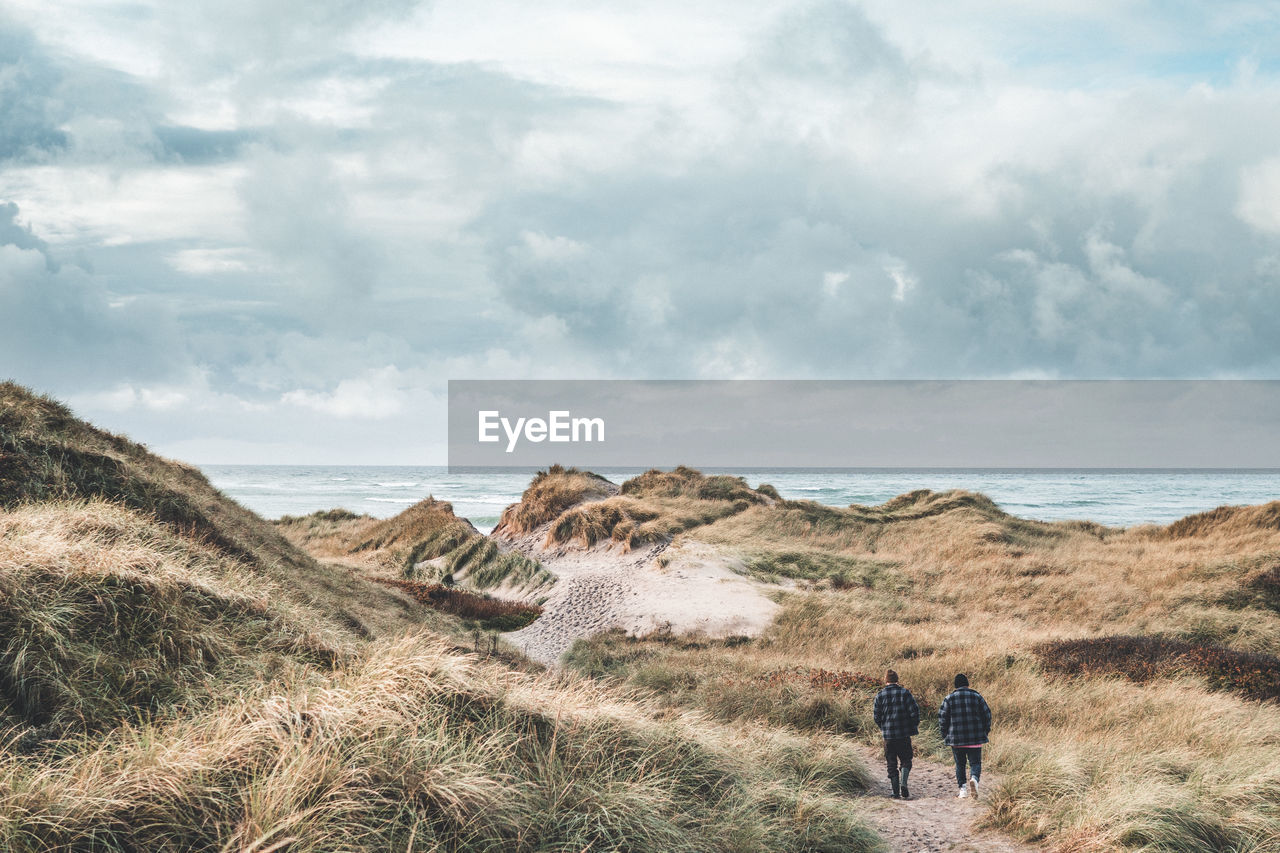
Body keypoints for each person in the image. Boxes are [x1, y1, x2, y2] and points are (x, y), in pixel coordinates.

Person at [938, 673, 992, 799]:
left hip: (956, 739)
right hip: (975, 737)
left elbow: (942, 718)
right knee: (975, 763)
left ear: (955, 686)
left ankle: (962, 790)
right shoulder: (977, 697)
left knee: (960, 764)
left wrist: (944, 734)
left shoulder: (949, 698)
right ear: (967, 684)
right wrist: (985, 731)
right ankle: (974, 779)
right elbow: (987, 715)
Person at [872, 669, 920, 799]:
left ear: (886, 680)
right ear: (897, 680)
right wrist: (912, 726)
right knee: (906, 760)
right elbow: (915, 713)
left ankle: (895, 792)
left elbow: (876, 716)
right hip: (903, 735)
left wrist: (883, 727)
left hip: (888, 736)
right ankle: (903, 783)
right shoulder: (905, 693)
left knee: (891, 763)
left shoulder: (880, 695)